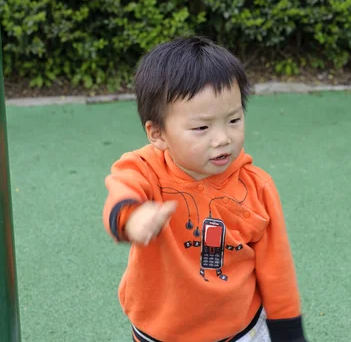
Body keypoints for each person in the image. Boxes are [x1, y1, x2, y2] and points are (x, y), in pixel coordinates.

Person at [102, 36, 308, 342]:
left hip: (240, 329)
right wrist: (133, 218)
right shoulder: (143, 169)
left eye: (234, 119)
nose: (222, 138)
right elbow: (122, 195)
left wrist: (288, 331)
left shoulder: (256, 186)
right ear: (157, 133)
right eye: (202, 127)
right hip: (159, 329)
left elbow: (276, 266)